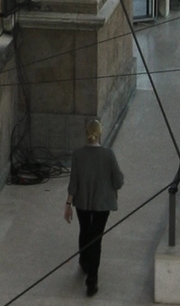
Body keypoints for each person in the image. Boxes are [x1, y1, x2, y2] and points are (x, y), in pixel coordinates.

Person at [65, 118, 124, 296]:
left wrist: (68, 204)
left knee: (84, 230)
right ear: (100, 134)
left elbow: (73, 183)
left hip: (82, 202)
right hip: (102, 203)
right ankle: (92, 279)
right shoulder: (108, 155)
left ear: (86, 134)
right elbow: (119, 181)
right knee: (96, 238)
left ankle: (84, 260)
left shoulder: (78, 155)